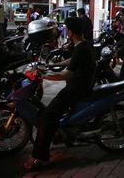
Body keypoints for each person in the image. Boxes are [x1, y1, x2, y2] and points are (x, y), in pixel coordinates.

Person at [24, 17, 96, 171]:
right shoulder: (85, 45)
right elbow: (72, 60)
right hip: (81, 87)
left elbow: (66, 75)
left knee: (46, 118)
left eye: (66, 28)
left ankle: (41, 158)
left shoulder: (81, 48)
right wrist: (53, 64)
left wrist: (43, 76)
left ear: (70, 32)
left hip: (75, 90)